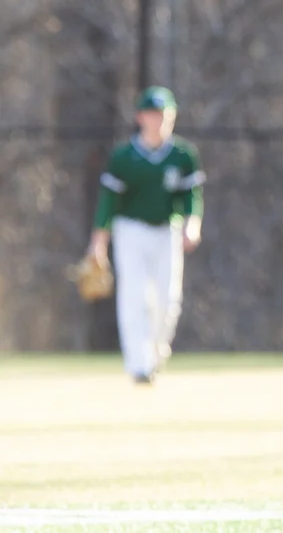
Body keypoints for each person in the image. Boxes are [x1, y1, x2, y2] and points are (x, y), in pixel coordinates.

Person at [86, 86, 205, 385]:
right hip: (131, 230)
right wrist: (99, 241)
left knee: (168, 300)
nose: (160, 120)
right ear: (141, 117)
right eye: (153, 114)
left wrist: (193, 225)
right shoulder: (124, 157)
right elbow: (108, 202)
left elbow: (192, 195)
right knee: (134, 297)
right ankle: (139, 365)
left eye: (165, 114)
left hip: (167, 230)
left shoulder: (182, 155)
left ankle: (155, 354)